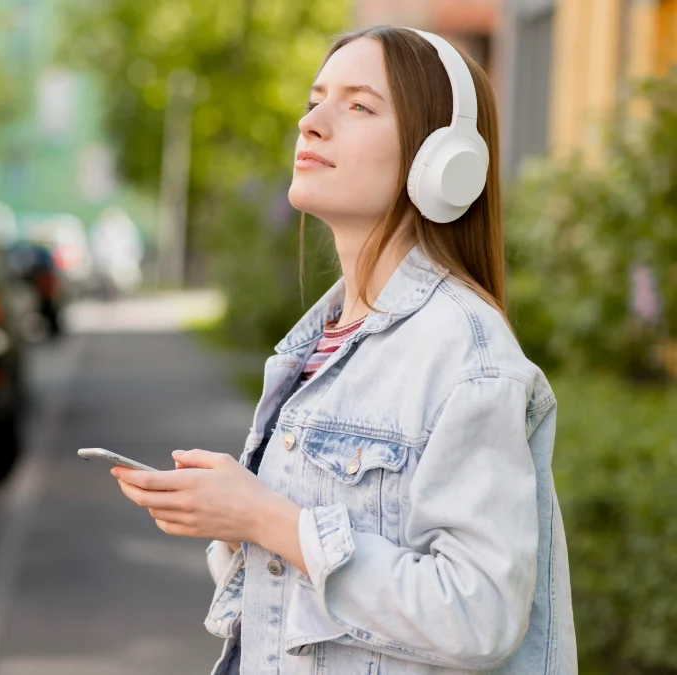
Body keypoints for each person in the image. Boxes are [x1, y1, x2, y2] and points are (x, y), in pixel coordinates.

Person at [110, 25, 576, 674]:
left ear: (444, 160)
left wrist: (268, 517)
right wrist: (230, 515)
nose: (313, 123)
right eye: (314, 99)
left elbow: (481, 612)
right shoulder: (313, 346)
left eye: (358, 105)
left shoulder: (466, 355)